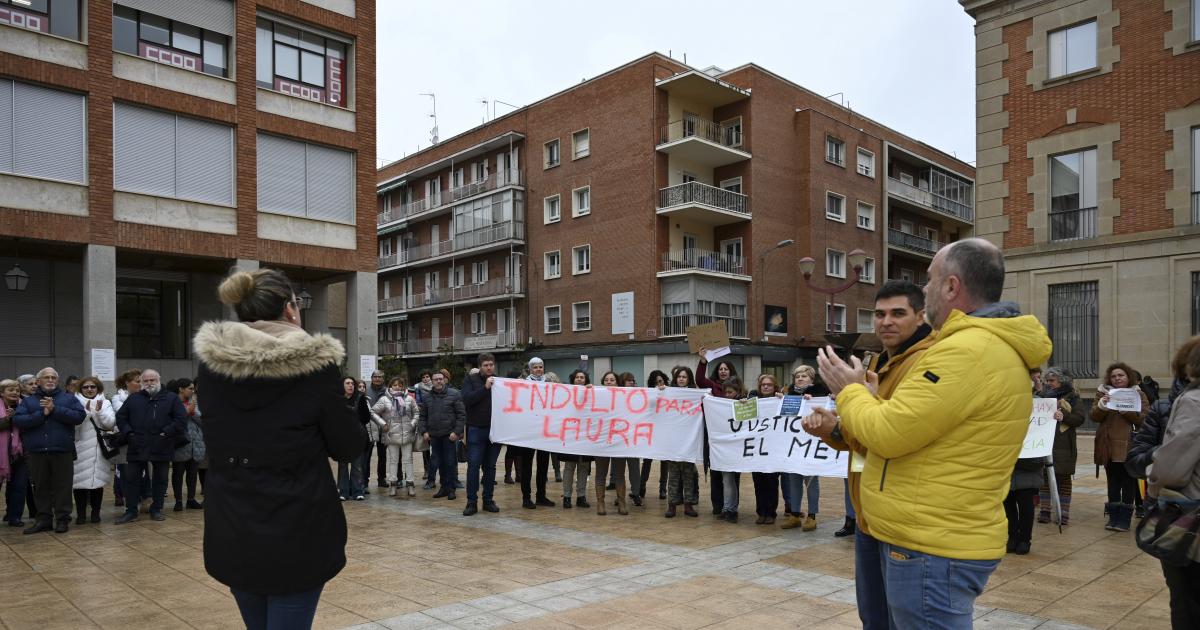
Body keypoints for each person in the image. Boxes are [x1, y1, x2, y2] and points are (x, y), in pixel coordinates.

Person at [807, 238, 1052, 629]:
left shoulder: (964, 352)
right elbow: (911, 432)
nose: (926, 289)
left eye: (929, 281)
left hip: (932, 543)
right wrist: (850, 415)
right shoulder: (972, 347)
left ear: (951, 287)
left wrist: (849, 391)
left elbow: (888, 433)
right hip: (931, 532)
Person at [193, 268, 367, 630]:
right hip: (297, 523)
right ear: (290, 310)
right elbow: (347, 445)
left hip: (232, 521)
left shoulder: (211, 368)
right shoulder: (315, 367)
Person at [826, 280, 936, 627]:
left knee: (901, 620)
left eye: (897, 313)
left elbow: (893, 436)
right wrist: (832, 429)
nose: (886, 321)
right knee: (873, 617)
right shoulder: (880, 362)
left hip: (903, 516)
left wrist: (855, 395)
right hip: (869, 511)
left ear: (921, 316)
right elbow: (868, 437)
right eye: (879, 314)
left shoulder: (928, 363)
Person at [1146, 336, 1200, 628]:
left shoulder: (1194, 402)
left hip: (1190, 523)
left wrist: (1153, 483)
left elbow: (1171, 470)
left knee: (1186, 602)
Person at [12, 367, 86, 534]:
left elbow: (79, 417)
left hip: (62, 450)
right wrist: (42, 414)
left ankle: (62, 520)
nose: (50, 380)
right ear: (39, 381)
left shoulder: (68, 398)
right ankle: (44, 519)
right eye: (47, 377)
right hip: (37, 451)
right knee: (40, 487)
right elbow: (19, 420)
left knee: (63, 487)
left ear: (58, 381)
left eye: (53, 377)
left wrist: (55, 409)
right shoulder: (29, 401)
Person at [114, 369, 187, 523]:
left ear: (158, 381)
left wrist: (166, 432)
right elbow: (121, 417)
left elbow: (180, 420)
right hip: (137, 445)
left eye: (152, 380)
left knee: (160, 479)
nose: (149, 383)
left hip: (162, 445)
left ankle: (157, 509)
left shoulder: (171, 398)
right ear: (141, 383)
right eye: (145, 381)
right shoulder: (134, 398)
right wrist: (129, 433)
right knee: (132, 479)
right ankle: (131, 511)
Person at [1092, 361, 1149, 532]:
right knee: (1112, 481)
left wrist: (1128, 412)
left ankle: (1124, 519)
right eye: (1114, 376)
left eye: (1121, 375)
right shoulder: (1102, 393)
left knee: (1128, 482)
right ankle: (1113, 516)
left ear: (1128, 377)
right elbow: (1094, 416)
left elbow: (1145, 419)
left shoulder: (1139, 394)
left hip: (1129, 445)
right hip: (1108, 445)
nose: (1117, 378)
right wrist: (1102, 404)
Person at [781, 365, 830, 532]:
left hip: (811, 444)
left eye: (804, 376)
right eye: (797, 376)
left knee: (811, 482)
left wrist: (815, 399)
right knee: (793, 480)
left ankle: (812, 516)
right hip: (794, 445)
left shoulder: (820, 392)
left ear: (811, 378)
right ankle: (794, 514)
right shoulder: (790, 395)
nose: (800, 379)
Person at [1038, 367, 1084, 525]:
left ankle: (1063, 512)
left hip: (1064, 443)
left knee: (1064, 477)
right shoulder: (1042, 396)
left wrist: (1064, 416)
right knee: (1044, 476)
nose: (1048, 384)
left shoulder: (1073, 398)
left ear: (1061, 381)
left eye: (1052, 381)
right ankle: (1045, 510)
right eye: (1047, 381)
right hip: (1045, 442)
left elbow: (1079, 419)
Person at [697, 355, 739, 515]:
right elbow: (700, 379)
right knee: (716, 471)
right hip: (715, 438)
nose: (723, 371)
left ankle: (731, 507)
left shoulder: (737, 387)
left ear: (730, 371)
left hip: (732, 439)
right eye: (720, 369)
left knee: (732, 476)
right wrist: (703, 361)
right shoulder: (712, 386)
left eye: (725, 369)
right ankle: (718, 505)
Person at [461, 353, 502, 516]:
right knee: (473, 467)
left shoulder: (500, 382)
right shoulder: (470, 380)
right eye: (486, 365)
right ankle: (471, 502)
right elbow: (467, 399)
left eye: (491, 364)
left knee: (490, 467)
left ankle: (488, 500)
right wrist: (485, 388)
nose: (489, 367)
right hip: (476, 429)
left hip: (495, 430)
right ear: (480, 367)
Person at [72, 376, 115, 525]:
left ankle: (96, 513)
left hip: (98, 449)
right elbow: (72, 425)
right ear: (81, 389)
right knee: (79, 483)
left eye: (92, 387)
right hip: (80, 447)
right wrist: (85, 414)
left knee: (97, 481)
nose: (89, 389)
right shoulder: (74, 402)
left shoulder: (106, 402)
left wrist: (99, 412)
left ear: (98, 388)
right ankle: (81, 514)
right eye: (86, 387)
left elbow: (110, 423)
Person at [515, 358, 555, 508]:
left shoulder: (550, 385)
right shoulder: (523, 384)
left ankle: (541, 496)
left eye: (541, 367)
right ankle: (526, 497)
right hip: (529, 430)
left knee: (543, 465)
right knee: (527, 465)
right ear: (530, 369)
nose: (539, 369)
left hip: (545, 429)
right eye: (535, 367)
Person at [418, 371, 465, 501]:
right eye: (436, 379)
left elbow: (461, 415)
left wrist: (456, 432)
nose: (439, 381)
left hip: (449, 435)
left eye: (441, 379)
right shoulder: (427, 397)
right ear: (432, 382)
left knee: (450, 462)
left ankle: (451, 489)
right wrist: (424, 431)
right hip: (434, 436)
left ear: (444, 380)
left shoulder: (454, 394)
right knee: (439, 462)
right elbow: (422, 417)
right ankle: (443, 488)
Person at [372, 376, 419, 499]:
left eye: (400, 385)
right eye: (395, 385)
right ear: (390, 386)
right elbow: (373, 412)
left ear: (403, 387)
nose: (397, 387)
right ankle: (393, 483)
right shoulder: (384, 399)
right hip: (391, 434)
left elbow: (416, 413)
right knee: (393, 460)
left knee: (408, 460)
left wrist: (412, 424)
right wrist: (383, 424)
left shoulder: (409, 399)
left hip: (407, 434)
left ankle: (410, 483)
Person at [664, 367, 700, 518]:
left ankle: (688, 505)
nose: (681, 379)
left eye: (684, 377)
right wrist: (660, 390)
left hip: (689, 442)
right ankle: (672, 505)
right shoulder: (669, 392)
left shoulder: (695, 394)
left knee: (689, 475)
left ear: (689, 379)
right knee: (673, 476)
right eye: (679, 376)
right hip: (673, 442)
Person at [749, 374, 784, 525]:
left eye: (769, 385)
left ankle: (771, 513)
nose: (766, 387)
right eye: (763, 384)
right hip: (756, 449)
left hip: (773, 450)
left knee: (771, 482)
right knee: (758, 482)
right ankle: (761, 512)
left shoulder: (780, 400)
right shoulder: (753, 402)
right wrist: (744, 403)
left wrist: (783, 398)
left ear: (774, 386)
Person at [170, 378, 205, 512]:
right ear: (181, 389)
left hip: (195, 443)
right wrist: (185, 412)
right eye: (190, 388)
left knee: (192, 473)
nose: (192, 391)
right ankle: (178, 501)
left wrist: (192, 411)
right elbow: (172, 419)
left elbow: (203, 420)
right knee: (178, 473)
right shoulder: (172, 402)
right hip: (180, 444)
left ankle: (191, 499)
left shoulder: (194, 402)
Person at [560, 369, 592, 509]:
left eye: (582, 377)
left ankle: (581, 496)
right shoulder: (566, 392)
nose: (580, 379)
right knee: (569, 467)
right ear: (573, 379)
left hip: (585, 435)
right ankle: (567, 496)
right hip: (570, 434)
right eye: (577, 377)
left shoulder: (591, 393)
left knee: (584, 467)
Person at [1, 379, 31, 527]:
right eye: (10, 390)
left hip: (20, 452)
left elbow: (30, 424)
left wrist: (16, 417)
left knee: (19, 487)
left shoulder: (24, 405)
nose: (15, 393)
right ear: (2, 392)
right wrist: (8, 419)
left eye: (17, 390)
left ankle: (15, 517)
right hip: (1, 454)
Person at [110, 369, 142, 508]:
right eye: (137, 381)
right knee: (122, 470)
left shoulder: (144, 397)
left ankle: (141, 497)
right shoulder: (117, 397)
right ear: (127, 383)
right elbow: (125, 414)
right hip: (124, 438)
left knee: (141, 471)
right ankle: (121, 495)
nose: (140, 384)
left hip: (140, 439)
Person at [336, 377, 370, 501]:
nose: (350, 386)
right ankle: (343, 491)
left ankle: (357, 491)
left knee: (357, 466)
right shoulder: (337, 400)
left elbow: (366, 418)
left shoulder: (360, 399)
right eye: (347, 383)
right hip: (342, 438)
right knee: (343, 466)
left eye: (352, 384)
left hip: (357, 437)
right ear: (342, 386)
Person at [639, 370, 671, 502]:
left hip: (665, 432)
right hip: (651, 432)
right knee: (647, 461)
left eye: (661, 381)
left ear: (664, 381)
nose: (659, 384)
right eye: (656, 382)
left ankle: (663, 488)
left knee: (665, 462)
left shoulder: (670, 393)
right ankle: (641, 487)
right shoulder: (649, 395)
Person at [363, 370, 388, 491]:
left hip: (384, 426)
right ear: (372, 378)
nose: (377, 379)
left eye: (380, 377)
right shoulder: (366, 391)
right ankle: (365, 481)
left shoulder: (387, 392)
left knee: (383, 455)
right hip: (370, 426)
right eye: (375, 377)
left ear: (383, 379)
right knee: (367, 455)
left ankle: (382, 479)